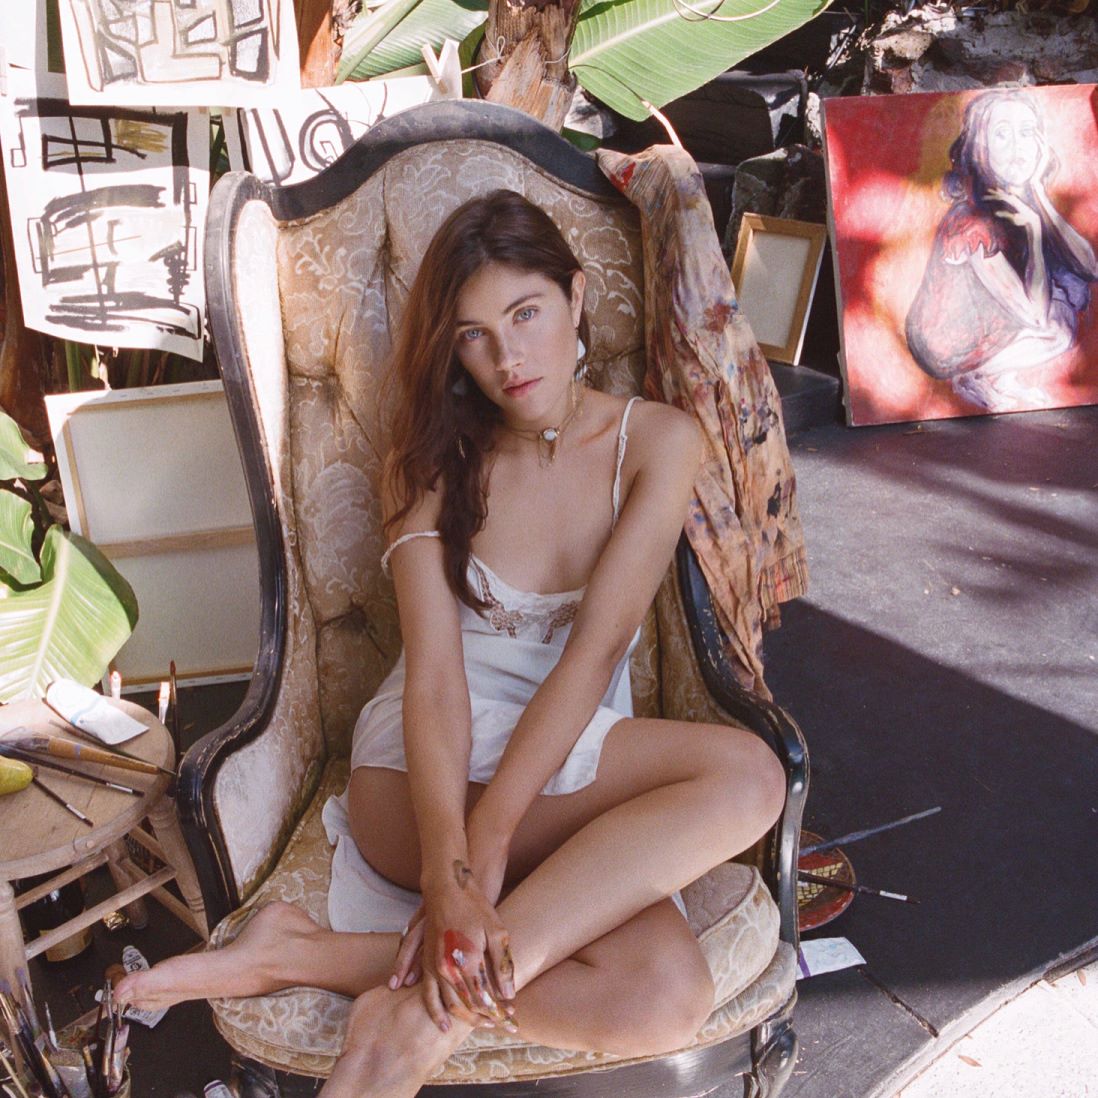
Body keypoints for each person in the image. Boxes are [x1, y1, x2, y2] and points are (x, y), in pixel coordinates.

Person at [116, 190, 785, 1097]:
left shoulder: (657, 442)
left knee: (664, 997)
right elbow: (434, 679)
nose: (508, 357)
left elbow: (594, 656)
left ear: (576, 297)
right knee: (747, 778)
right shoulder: (431, 460)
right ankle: (418, 1009)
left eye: (526, 313)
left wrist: (493, 848)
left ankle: (354, 978)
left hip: (560, 766)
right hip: (418, 783)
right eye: (475, 335)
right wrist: (452, 872)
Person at [905, 90, 1098, 411]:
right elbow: (1035, 316)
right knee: (1056, 329)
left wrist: (1038, 192)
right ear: (979, 148)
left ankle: (1002, 379)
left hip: (995, 314)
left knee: (1064, 305)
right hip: (950, 338)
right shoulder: (972, 221)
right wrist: (1034, 232)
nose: (1018, 148)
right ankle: (974, 376)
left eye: (1026, 132)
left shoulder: (1019, 200)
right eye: (1002, 135)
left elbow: (1090, 268)